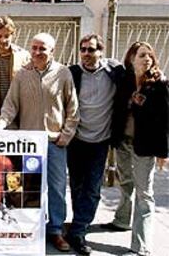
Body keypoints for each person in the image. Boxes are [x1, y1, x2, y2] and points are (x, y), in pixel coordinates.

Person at [0, 32, 79, 252]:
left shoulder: (63, 73)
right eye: (34, 47)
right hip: (27, 144)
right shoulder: (21, 75)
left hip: (55, 143)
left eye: (42, 49)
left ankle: (55, 230)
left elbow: (73, 109)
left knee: (56, 189)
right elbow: (10, 107)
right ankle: (25, 229)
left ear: (52, 51)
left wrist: (66, 135)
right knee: (25, 189)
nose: (37, 52)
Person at [103, 42, 168, 256]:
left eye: (149, 55)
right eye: (141, 55)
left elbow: (165, 120)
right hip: (123, 142)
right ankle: (122, 221)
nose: (147, 59)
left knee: (144, 193)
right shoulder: (125, 81)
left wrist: (163, 153)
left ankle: (141, 245)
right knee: (125, 183)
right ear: (131, 59)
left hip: (145, 146)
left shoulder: (159, 84)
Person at [66, 34, 125, 255]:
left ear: (101, 51)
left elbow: (137, 80)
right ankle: (77, 224)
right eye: (83, 50)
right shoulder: (72, 73)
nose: (86, 54)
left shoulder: (115, 72)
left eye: (91, 50)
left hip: (100, 141)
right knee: (77, 186)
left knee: (92, 189)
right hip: (76, 139)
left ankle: (79, 231)